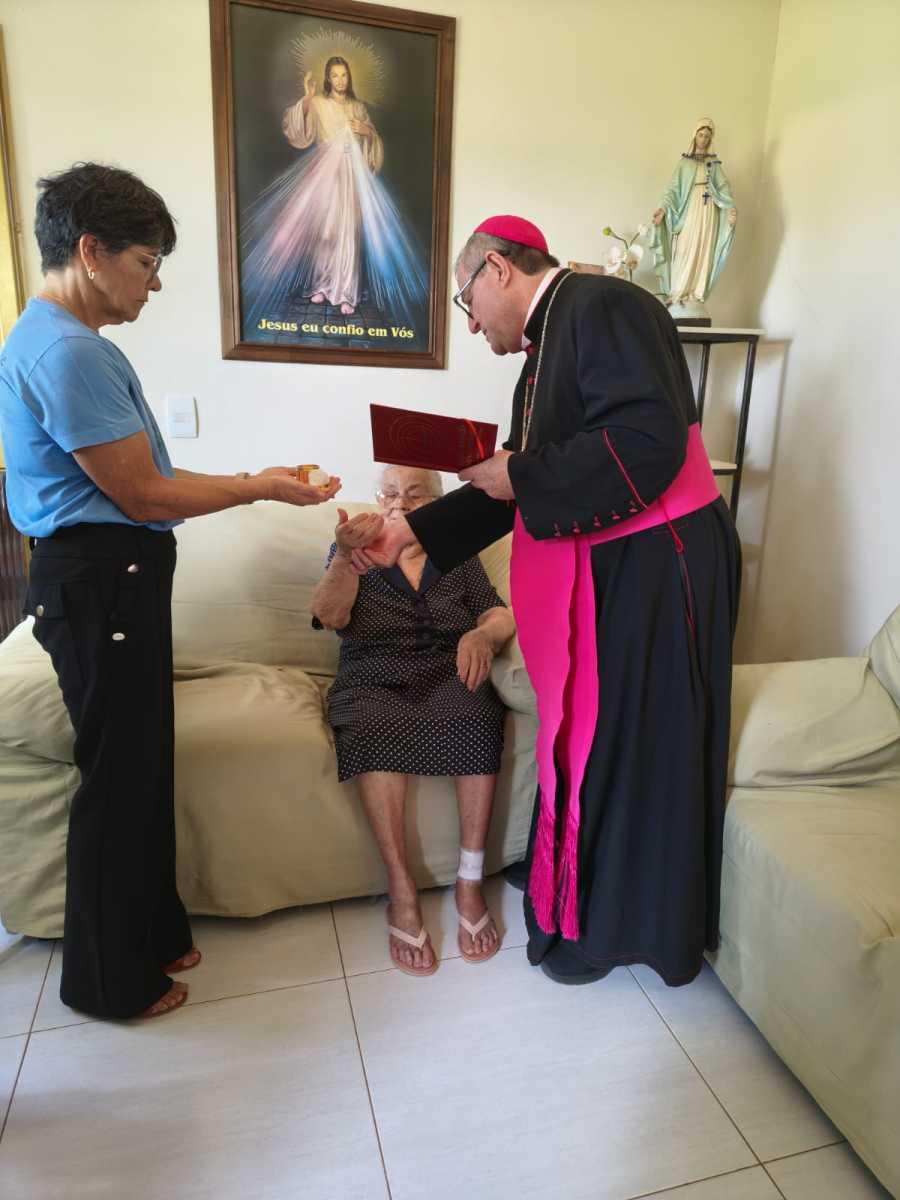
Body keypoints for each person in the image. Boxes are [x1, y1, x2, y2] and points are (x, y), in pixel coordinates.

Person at [350, 215, 741, 987]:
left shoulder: (606, 305)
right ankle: (582, 900)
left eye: (466, 302)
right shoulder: (546, 347)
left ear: (497, 268)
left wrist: (519, 473)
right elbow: (519, 487)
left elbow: (648, 442)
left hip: (659, 568)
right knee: (599, 741)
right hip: (621, 566)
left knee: (638, 746)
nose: (470, 324)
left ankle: (624, 926)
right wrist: (409, 534)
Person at [0, 162, 340, 1020]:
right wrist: (259, 488)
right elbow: (144, 496)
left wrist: (253, 480)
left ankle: (153, 934)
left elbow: (145, 479)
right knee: (117, 780)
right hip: (100, 580)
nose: (154, 283)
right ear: (91, 250)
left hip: (111, 577)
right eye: (146, 263)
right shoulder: (67, 350)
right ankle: (108, 983)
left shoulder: (65, 342)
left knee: (143, 765)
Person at [311, 465, 515, 977]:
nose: (399, 504)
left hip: (445, 670)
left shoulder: (457, 552)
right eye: (389, 494)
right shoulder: (354, 550)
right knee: (370, 726)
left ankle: (469, 883)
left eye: (415, 495)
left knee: (479, 712)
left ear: (439, 505)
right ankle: (401, 892)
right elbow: (331, 615)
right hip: (372, 674)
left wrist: (483, 636)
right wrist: (343, 559)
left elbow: (498, 613)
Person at [241, 55, 427, 330]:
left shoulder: (358, 107)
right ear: (328, 78)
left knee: (347, 231)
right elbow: (297, 130)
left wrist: (367, 131)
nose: (340, 80)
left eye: (344, 75)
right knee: (325, 231)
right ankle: (322, 285)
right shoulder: (318, 103)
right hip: (324, 174)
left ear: (349, 77)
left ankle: (345, 292)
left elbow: (372, 141)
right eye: (335, 75)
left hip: (350, 176)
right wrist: (307, 98)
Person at [650, 118, 738, 312]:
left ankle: (696, 292)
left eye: (707, 136)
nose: (703, 139)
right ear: (695, 136)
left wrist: (730, 207)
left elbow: (723, 186)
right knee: (685, 247)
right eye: (700, 135)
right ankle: (679, 291)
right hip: (690, 209)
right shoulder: (684, 163)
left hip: (709, 210)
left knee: (703, 247)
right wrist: (663, 209)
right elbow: (673, 190)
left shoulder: (713, 163)